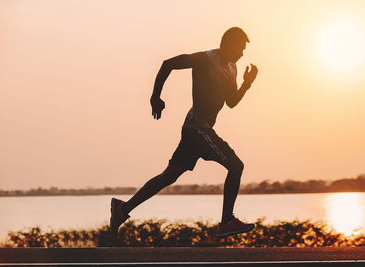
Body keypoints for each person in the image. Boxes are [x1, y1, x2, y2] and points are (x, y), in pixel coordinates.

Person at [110, 27, 258, 238]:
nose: (242, 54)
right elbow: (167, 64)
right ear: (227, 44)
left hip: (198, 129)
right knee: (236, 165)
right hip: (198, 128)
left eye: (244, 50)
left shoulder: (232, 67)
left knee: (168, 176)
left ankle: (122, 209)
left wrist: (246, 84)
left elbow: (231, 102)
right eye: (240, 48)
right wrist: (155, 96)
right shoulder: (205, 59)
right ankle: (226, 222)